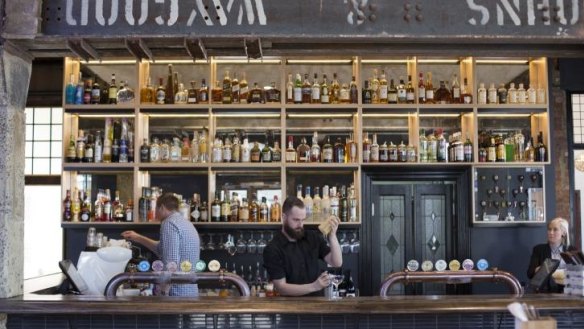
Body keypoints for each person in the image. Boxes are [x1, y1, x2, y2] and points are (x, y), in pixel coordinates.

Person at [121, 192, 200, 297]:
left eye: (155, 208)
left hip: (176, 293)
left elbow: (171, 262)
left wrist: (162, 290)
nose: (155, 212)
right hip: (190, 291)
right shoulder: (186, 223)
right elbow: (161, 249)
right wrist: (137, 237)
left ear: (161, 207)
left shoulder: (169, 223)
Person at [263, 196, 342, 296]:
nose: (300, 225)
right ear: (284, 217)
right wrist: (315, 286)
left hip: (317, 306)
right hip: (290, 308)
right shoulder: (272, 249)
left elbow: (337, 262)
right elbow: (281, 287)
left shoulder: (312, 237)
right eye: (296, 220)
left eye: (303, 220)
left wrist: (332, 236)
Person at [527, 217, 577, 293]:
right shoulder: (539, 249)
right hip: (545, 292)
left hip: (568, 291)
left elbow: (577, 273)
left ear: (563, 233)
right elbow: (530, 274)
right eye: (549, 229)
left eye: (555, 229)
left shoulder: (571, 250)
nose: (551, 232)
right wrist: (540, 270)